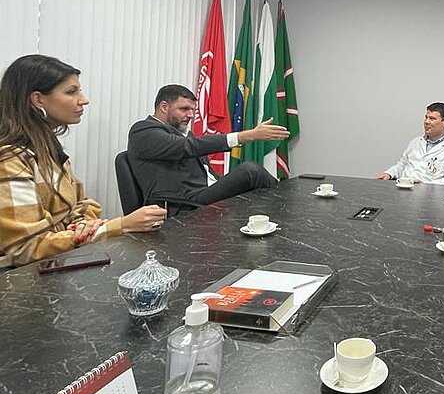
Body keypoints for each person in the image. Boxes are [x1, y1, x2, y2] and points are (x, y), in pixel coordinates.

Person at [0, 55, 166, 268]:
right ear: (38, 100)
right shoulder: (9, 160)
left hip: (55, 268)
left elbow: (81, 204)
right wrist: (120, 226)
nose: (83, 99)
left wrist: (81, 226)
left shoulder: (46, 148)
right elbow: (27, 247)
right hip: (19, 280)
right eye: (71, 92)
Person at [127, 84, 289, 213]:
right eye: (184, 109)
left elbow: (205, 171)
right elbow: (185, 147)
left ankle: (282, 210)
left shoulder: (183, 134)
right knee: (249, 171)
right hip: (183, 203)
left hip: (203, 193)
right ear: (164, 107)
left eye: (192, 110)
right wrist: (244, 136)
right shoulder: (142, 131)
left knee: (253, 194)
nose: (191, 115)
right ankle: (288, 206)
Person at [376, 102, 444, 186]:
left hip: (432, 195)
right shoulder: (415, 142)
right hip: (403, 189)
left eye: (432, 119)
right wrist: (389, 173)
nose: (426, 122)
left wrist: (425, 185)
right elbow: (402, 165)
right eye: (426, 117)